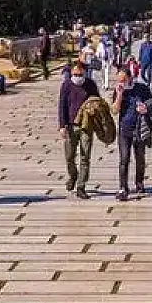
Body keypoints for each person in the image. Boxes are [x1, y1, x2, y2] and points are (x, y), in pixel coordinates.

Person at [58, 61, 100, 199]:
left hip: (86, 125)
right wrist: (62, 125)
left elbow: (98, 103)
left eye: (80, 74)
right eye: (75, 74)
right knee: (69, 156)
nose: (77, 77)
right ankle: (73, 175)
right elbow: (62, 105)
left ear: (84, 73)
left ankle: (81, 186)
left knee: (85, 156)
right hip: (71, 125)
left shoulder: (90, 85)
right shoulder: (66, 85)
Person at [113, 69, 152, 201]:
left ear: (130, 78)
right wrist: (119, 95)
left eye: (123, 80)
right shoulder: (119, 90)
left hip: (139, 129)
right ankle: (123, 187)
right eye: (119, 80)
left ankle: (139, 182)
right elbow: (115, 110)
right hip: (124, 130)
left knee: (140, 158)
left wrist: (145, 108)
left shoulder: (142, 88)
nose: (121, 83)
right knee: (124, 159)